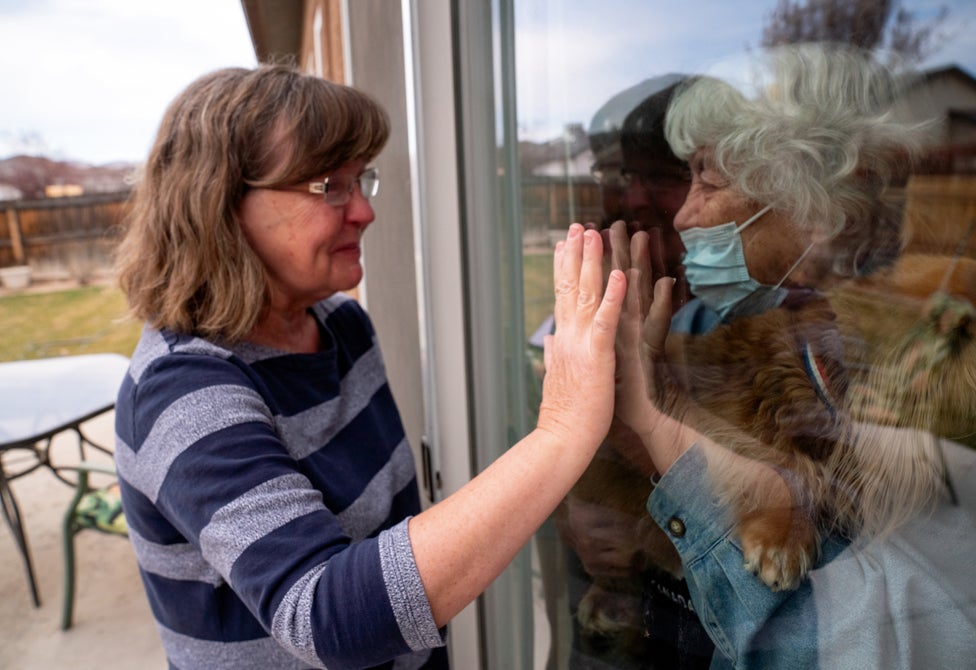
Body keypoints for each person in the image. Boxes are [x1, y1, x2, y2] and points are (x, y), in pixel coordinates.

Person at [112, 64, 625, 670]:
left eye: (361, 181)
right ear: (220, 203)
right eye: (329, 185)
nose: (363, 212)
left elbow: (391, 538)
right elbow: (326, 617)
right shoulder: (183, 394)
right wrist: (563, 431)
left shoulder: (340, 325)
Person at [611, 44, 976, 668]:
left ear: (813, 200)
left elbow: (865, 641)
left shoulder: (937, 366)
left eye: (708, 178)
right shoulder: (709, 320)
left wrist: (659, 426)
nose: (682, 212)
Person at [544, 74, 715, 670]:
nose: (636, 197)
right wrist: (574, 516)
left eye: (663, 177)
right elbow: (547, 436)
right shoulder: (593, 295)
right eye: (623, 176)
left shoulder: (746, 314)